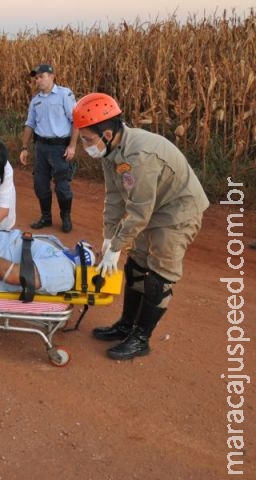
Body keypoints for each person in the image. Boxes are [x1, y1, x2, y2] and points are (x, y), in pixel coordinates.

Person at [73, 92, 209, 360]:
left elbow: (139, 210)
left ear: (108, 134)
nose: (85, 146)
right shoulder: (111, 152)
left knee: (158, 278)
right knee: (136, 266)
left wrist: (116, 247)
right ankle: (126, 325)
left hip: (177, 211)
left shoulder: (139, 156)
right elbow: (114, 197)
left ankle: (140, 338)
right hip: (153, 207)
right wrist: (109, 238)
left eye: (87, 139)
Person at [19, 63, 79, 233]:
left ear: (52, 76)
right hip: (41, 148)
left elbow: (76, 121)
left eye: (41, 76)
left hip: (60, 148)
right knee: (40, 184)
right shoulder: (36, 101)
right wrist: (24, 147)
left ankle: (65, 217)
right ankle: (46, 217)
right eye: (36, 78)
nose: (38, 80)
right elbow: (29, 124)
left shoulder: (64, 95)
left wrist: (72, 145)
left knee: (62, 186)